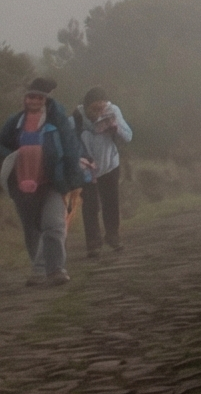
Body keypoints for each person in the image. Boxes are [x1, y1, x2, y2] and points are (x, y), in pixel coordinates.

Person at [9, 77, 84, 287]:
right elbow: (2, 146)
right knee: (32, 230)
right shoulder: (15, 123)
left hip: (52, 183)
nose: (34, 101)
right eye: (30, 96)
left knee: (54, 225)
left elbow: (70, 149)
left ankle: (55, 270)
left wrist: (75, 179)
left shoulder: (57, 120)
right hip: (22, 186)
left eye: (39, 97)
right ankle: (38, 270)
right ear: (25, 99)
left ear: (45, 99)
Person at [75, 88, 130, 257]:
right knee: (90, 205)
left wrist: (116, 128)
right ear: (86, 106)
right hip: (87, 167)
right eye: (94, 109)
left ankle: (113, 236)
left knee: (111, 201)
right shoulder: (77, 117)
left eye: (102, 108)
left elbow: (128, 136)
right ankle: (93, 243)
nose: (99, 113)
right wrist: (82, 158)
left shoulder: (113, 111)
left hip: (110, 164)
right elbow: (71, 140)